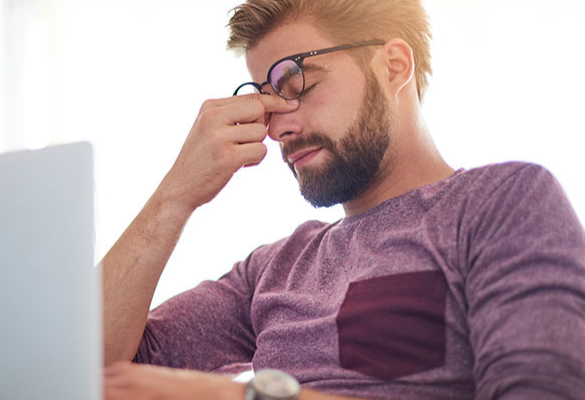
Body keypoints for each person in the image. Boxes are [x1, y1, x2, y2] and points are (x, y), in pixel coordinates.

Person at [100, 0, 585, 399]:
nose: (278, 126)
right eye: (267, 99)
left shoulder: (500, 204)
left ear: (394, 65)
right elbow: (89, 367)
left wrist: (250, 395)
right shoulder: (270, 271)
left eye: (298, 84)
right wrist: (176, 195)